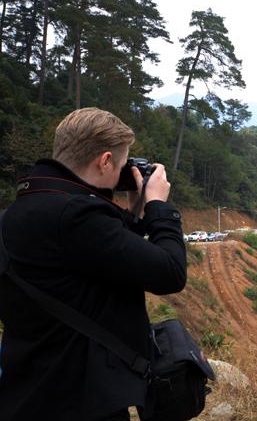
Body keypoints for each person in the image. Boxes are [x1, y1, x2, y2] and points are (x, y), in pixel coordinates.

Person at [0, 108, 187, 420]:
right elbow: (170, 272)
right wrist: (158, 207)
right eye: (123, 164)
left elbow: (98, 255)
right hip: (81, 399)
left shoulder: (18, 213)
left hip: (28, 391)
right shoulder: (77, 217)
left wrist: (135, 215)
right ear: (104, 161)